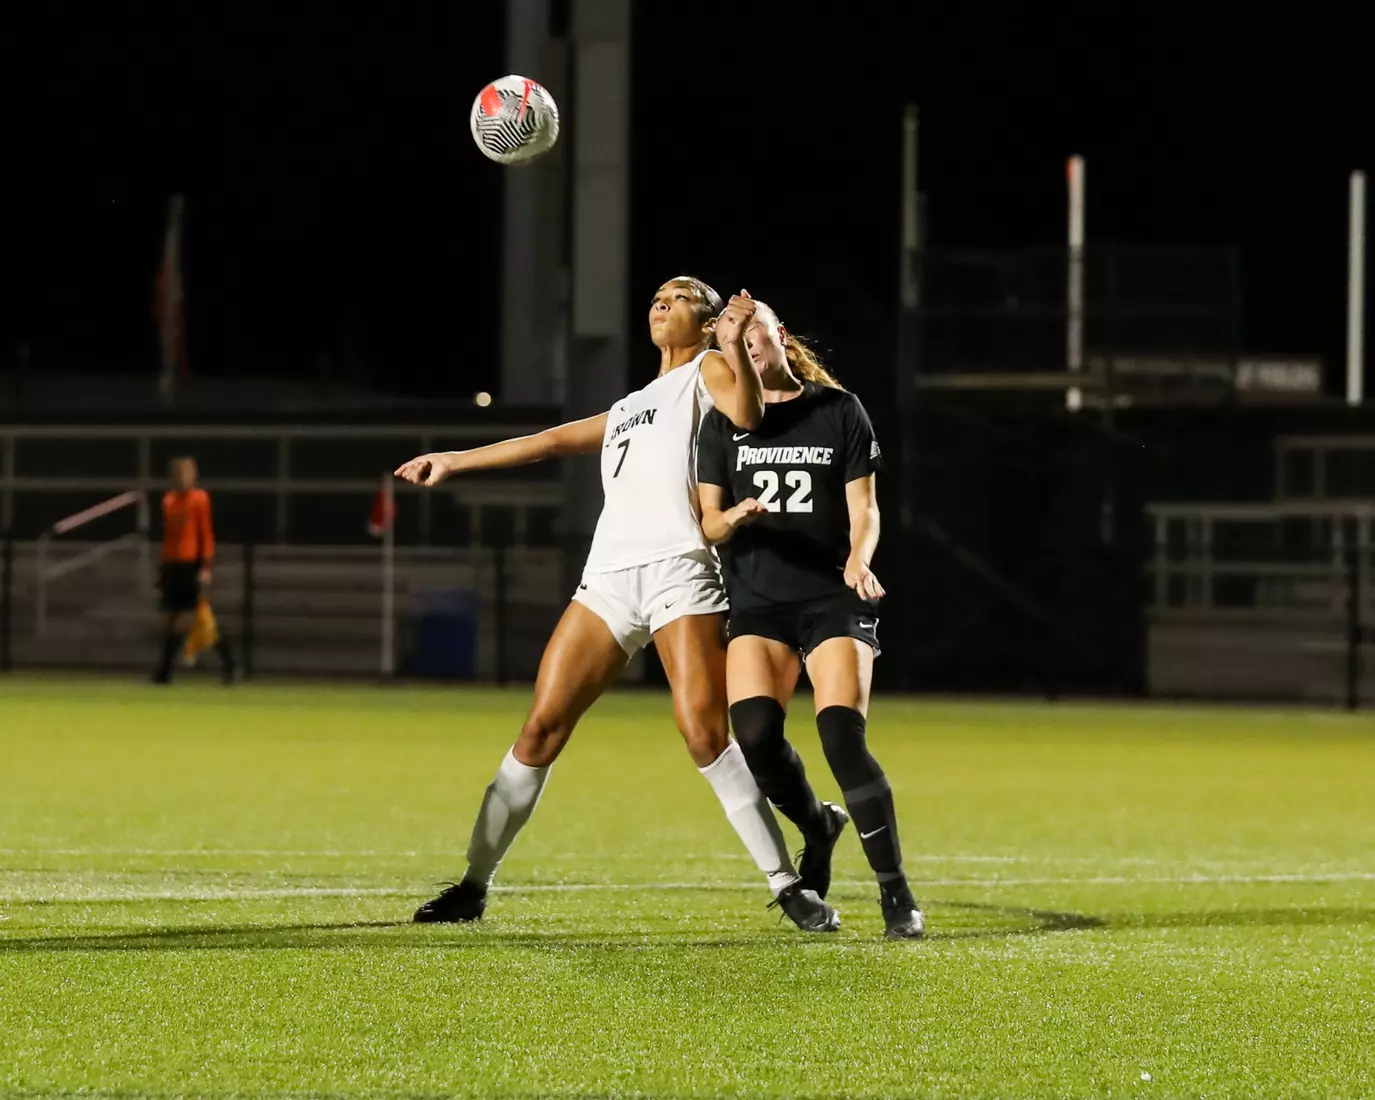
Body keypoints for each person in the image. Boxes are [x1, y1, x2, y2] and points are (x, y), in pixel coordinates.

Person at [394, 277, 838, 932]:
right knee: (539, 730)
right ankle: (473, 885)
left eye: (682, 295)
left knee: (702, 733)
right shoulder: (631, 404)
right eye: (659, 295)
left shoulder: (710, 370)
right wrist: (454, 460)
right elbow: (547, 442)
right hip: (607, 577)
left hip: (679, 572)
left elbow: (747, 417)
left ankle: (786, 885)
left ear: (709, 319)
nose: (664, 301)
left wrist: (733, 348)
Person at [696, 298, 925, 939]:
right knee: (756, 735)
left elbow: (866, 508)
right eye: (730, 335)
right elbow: (709, 521)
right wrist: (734, 518)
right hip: (759, 604)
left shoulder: (837, 409)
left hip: (831, 599)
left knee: (840, 737)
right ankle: (817, 824)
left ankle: (895, 893)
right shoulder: (719, 426)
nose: (743, 341)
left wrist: (857, 559)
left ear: (779, 335)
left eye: (752, 328)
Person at [153, 457, 236, 685]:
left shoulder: (200, 500)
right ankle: (165, 673)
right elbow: (168, 537)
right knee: (172, 619)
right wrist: (162, 566)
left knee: (191, 619)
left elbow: (206, 534)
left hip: (191, 565)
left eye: (186, 473)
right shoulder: (168, 501)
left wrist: (206, 566)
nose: (181, 478)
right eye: (177, 473)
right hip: (172, 565)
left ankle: (166, 672)